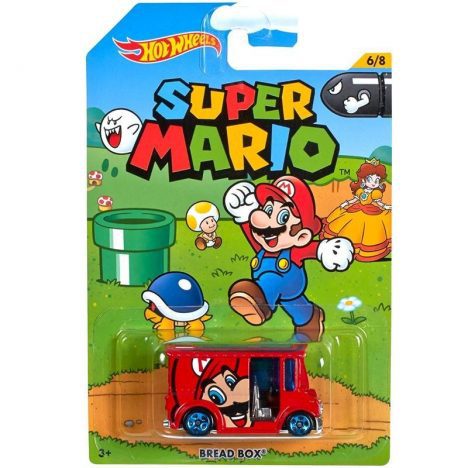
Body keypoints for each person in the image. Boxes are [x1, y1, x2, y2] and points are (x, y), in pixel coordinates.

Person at [321, 158, 391, 262]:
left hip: (371, 213)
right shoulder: (360, 191)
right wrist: (346, 203)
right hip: (356, 210)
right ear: (363, 180)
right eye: (370, 179)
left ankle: (364, 251)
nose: (373, 183)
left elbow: (379, 203)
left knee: (369, 232)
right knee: (347, 228)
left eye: (376, 180)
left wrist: (386, 207)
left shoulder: (376, 193)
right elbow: (355, 199)